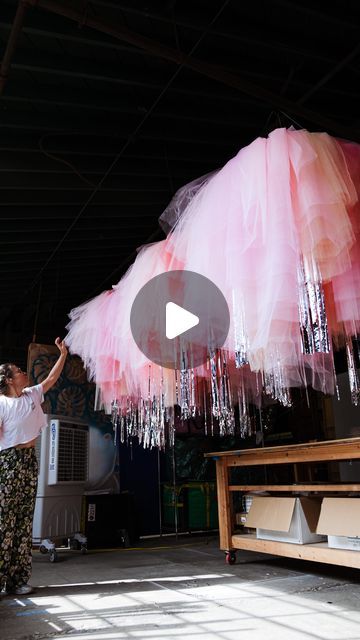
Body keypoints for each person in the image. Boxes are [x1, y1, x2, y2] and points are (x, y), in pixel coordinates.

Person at [0, 338, 68, 597]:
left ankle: (18, 580)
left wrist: (62, 355)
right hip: (7, 462)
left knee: (23, 521)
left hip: (29, 461)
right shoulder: (1, 404)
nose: (23, 372)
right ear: (8, 379)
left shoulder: (31, 395)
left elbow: (51, 379)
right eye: (18, 371)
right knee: (4, 521)